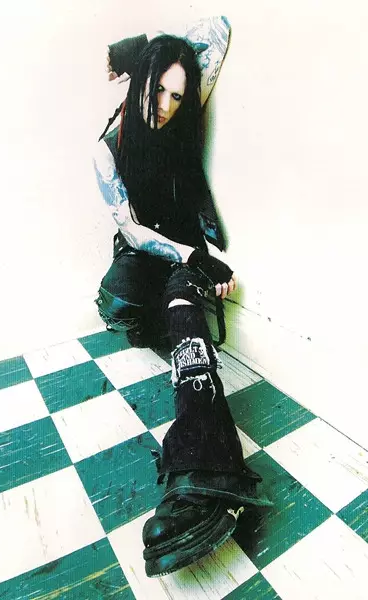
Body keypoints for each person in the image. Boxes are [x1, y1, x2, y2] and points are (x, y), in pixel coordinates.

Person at [92, 33, 272, 577]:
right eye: (158, 91)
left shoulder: (179, 123)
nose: (167, 106)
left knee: (182, 307)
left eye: (177, 95)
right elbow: (131, 228)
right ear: (139, 82)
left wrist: (202, 259)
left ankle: (203, 464)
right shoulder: (108, 146)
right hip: (141, 250)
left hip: (181, 255)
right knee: (117, 298)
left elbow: (217, 27)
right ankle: (154, 317)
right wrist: (132, 52)